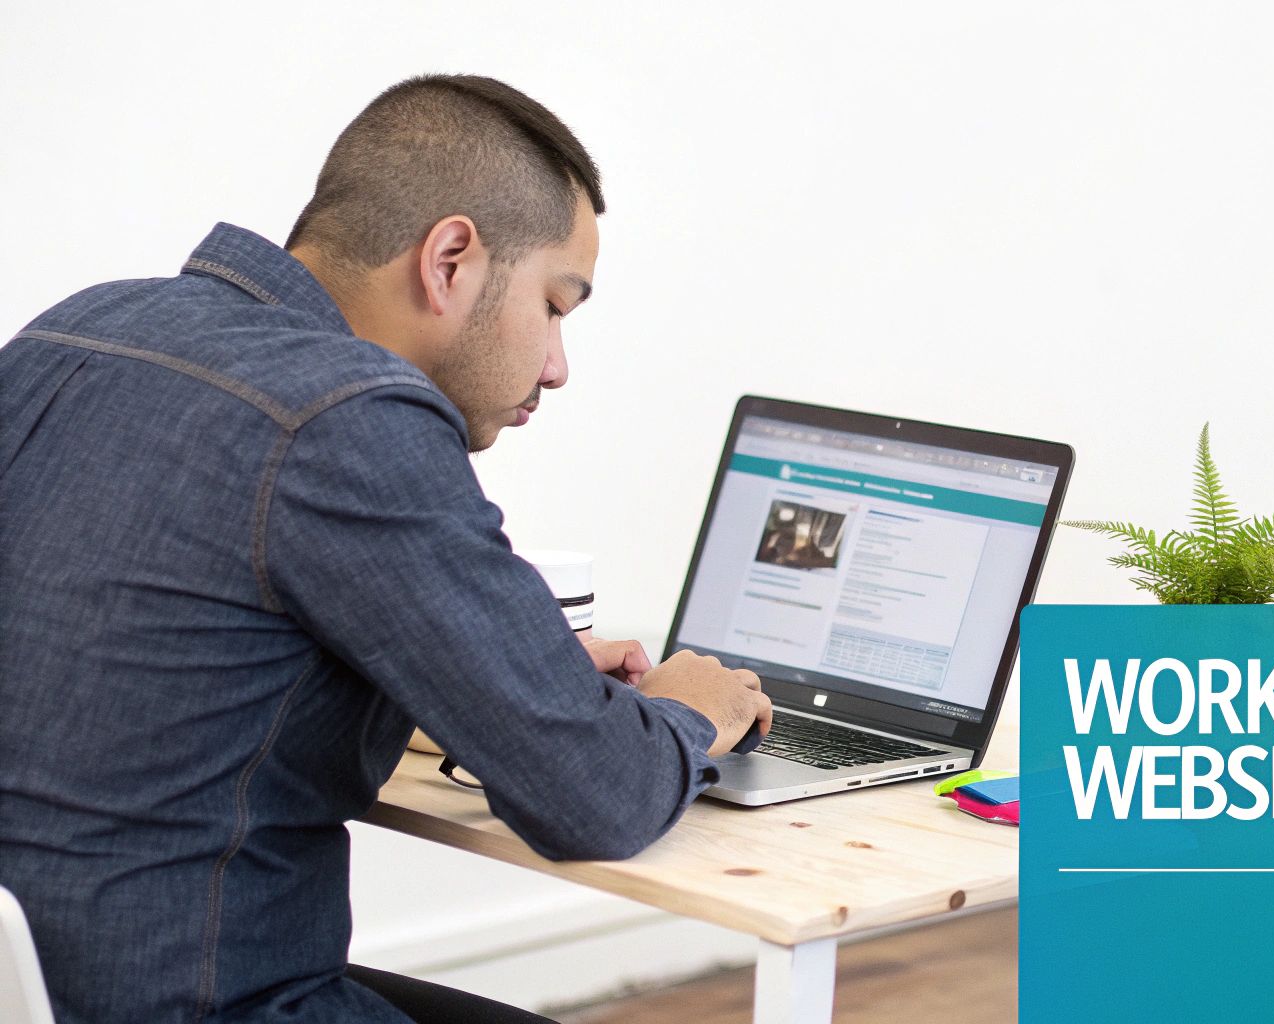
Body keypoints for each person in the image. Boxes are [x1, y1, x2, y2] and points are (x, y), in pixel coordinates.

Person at [0, 74, 771, 1024]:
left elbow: (150, 671)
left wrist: (505, 678)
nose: (559, 366)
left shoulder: (78, 330)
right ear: (451, 259)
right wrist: (691, 713)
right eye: (557, 305)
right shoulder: (348, 414)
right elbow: (596, 798)